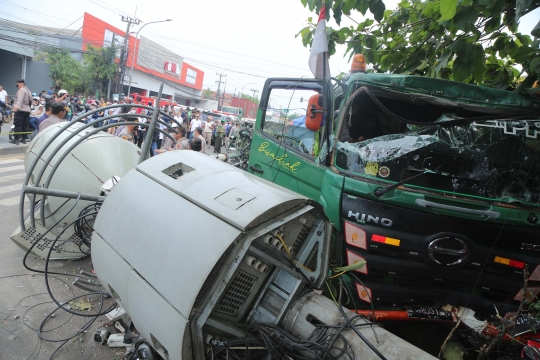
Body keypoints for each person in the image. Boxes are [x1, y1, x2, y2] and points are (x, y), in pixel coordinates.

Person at [10, 79, 32, 145]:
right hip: (27, 110)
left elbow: (19, 99)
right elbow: (31, 100)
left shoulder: (21, 90)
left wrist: (16, 107)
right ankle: (23, 138)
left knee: (18, 124)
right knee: (25, 124)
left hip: (20, 109)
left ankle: (16, 139)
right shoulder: (28, 90)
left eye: (18, 84)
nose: (17, 86)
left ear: (21, 84)